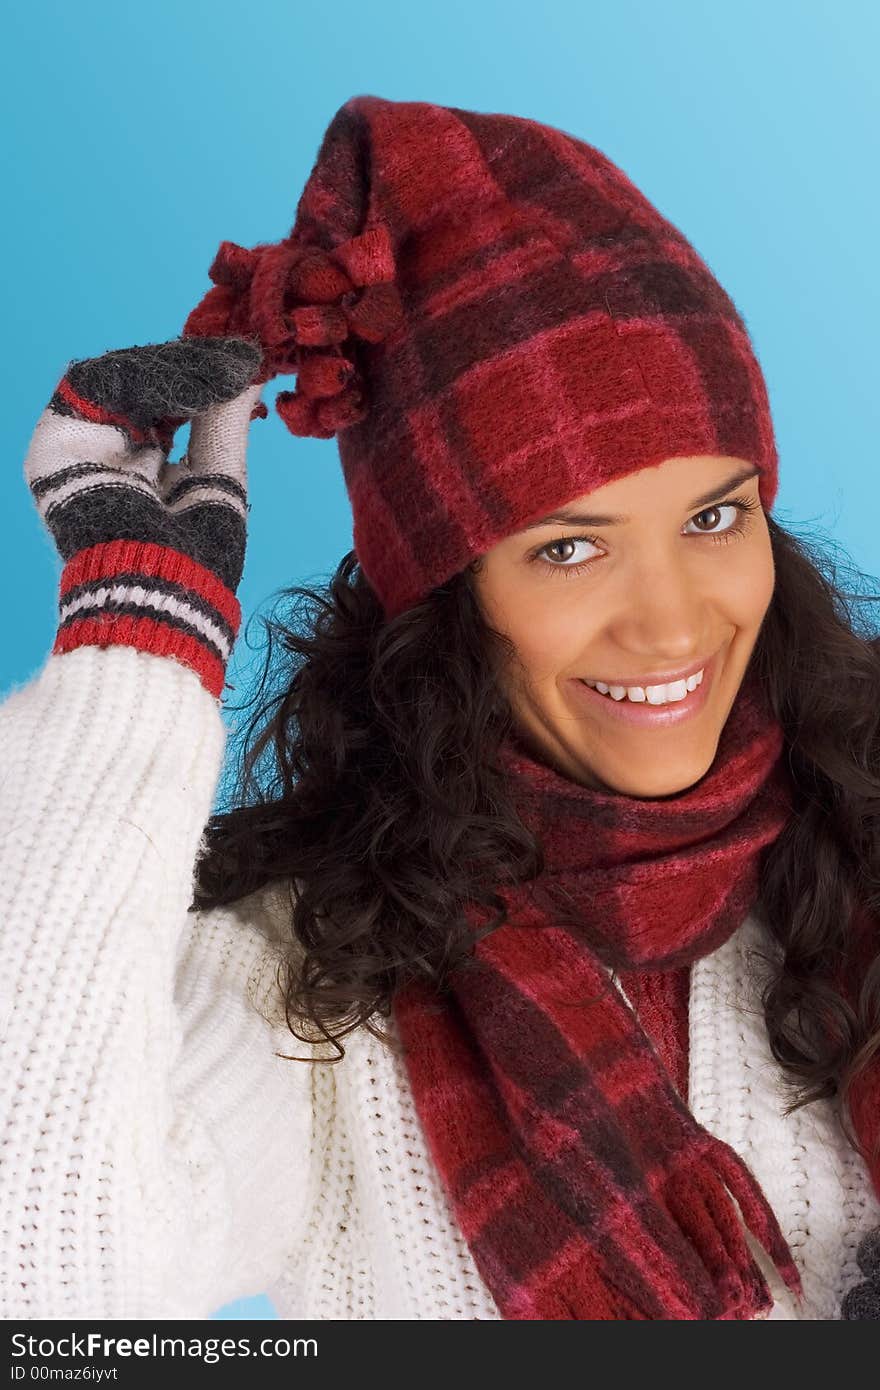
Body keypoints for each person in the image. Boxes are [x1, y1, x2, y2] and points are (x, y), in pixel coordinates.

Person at [2, 94, 879, 1322]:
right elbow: (46, 1274)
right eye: (569, 550)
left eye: (714, 517)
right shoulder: (304, 986)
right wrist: (132, 654)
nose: (675, 626)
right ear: (444, 600)